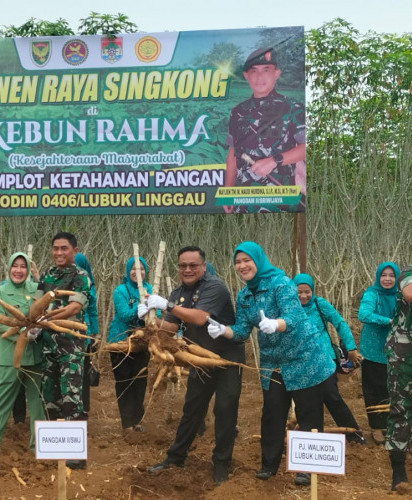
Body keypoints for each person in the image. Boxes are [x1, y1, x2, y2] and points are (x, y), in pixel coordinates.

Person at [207, 242, 334, 486]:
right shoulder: (244, 295)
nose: (242, 266)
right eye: (238, 262)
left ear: (258, 260)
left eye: (247, 260)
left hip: (303, 356)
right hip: (273, 362)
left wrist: (276, 324)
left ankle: (306, 469)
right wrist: (223, 330)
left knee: (308, 412)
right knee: (273, 412)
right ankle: (269, 464)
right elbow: (243, 331)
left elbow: (295, 316)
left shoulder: (282, 283)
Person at [143, 246, 243, 485]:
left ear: (203, 266)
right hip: (199, 361)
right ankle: (175, 457)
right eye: (182, 265)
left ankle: (221, 463)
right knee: (192, 410)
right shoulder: (178, 292)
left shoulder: (214, 287)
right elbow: (170, 328)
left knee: (224, 411)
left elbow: (199, 317)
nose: (187, 269)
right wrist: (150, 318)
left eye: (193, 265)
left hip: (226, 359)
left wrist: (166, 305)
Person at [223, 47, 306, 214]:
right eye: (254, 71)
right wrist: (228, 193)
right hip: (244, 200)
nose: (259, 77)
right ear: (246, 76)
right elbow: (233, 153)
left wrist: (274, 161)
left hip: (282, 199)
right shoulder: (237, 111)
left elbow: (306, 148)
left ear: (276, 73)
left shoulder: (293, 108)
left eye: (266, 70)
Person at [0, 252, 45, 455]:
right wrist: (23, 334)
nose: (19, 270)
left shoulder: (36, 289)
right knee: (1, 402)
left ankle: (39, 447)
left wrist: (39, 328)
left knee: (37, 403)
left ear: (28, 270)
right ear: (8, 269)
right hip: (9, 356)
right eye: (15, 266)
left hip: (34, 355)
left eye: (23, 266)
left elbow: (45, 310)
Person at [37, 231, 91, 469]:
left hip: (71, 346)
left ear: (74, 251)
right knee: (50, 395)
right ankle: (54, 448)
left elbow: (73, 308)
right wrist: (32, 320)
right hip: (48, 346)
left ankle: (76, 455)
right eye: (55, 248)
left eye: (64, 248)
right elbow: (37, 302)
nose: (59, 253)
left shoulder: (81, 276)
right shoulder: (47, 274)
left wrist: (45, 317)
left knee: (72, 396)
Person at [292, 273, 365, 444]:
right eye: (299, 292)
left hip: (325, 360)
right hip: (301, 362)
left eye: (307, 291)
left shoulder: (319, 304)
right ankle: (309, 439)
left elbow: (339, 323)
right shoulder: (290, 308)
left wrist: (351, 348)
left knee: (331, 396)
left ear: (313, 290)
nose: (303, 296)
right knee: (306, 401)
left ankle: (354, 434)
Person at [107, 256, 153, 433]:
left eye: (141, 269)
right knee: (124, 381)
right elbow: (125, 315)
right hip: (120, 341)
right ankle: (127, 423)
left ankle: (137, 421)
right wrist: (142, 305)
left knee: (140, 381)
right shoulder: (120, 290)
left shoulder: (149, 288)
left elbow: (153, 313)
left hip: (142, 342)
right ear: (128, 271)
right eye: (134, 269)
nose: (138, 272)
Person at [358, 261, 400, 445]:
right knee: (374, 390)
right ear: (378, 277)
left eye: (392, 275)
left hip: (398, 350)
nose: (388, 279)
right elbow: (364, 314)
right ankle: (376, 428)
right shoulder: (371, 294)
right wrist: (389, 321)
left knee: (395, 390)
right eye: (384, 275)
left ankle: (393, 427)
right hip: (373, 352)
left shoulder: (402, 294)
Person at [385, 266, 412, 491]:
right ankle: (399, 472)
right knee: (401, 410)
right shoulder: (408, 273)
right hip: (404, 357)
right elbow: (409, 292)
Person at [75, 252, 99, 414]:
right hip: (64, 333)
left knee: (83, 374)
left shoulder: (89, 286)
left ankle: (83, 409)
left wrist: (95, 333)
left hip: (85, 334)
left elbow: (92, 310)